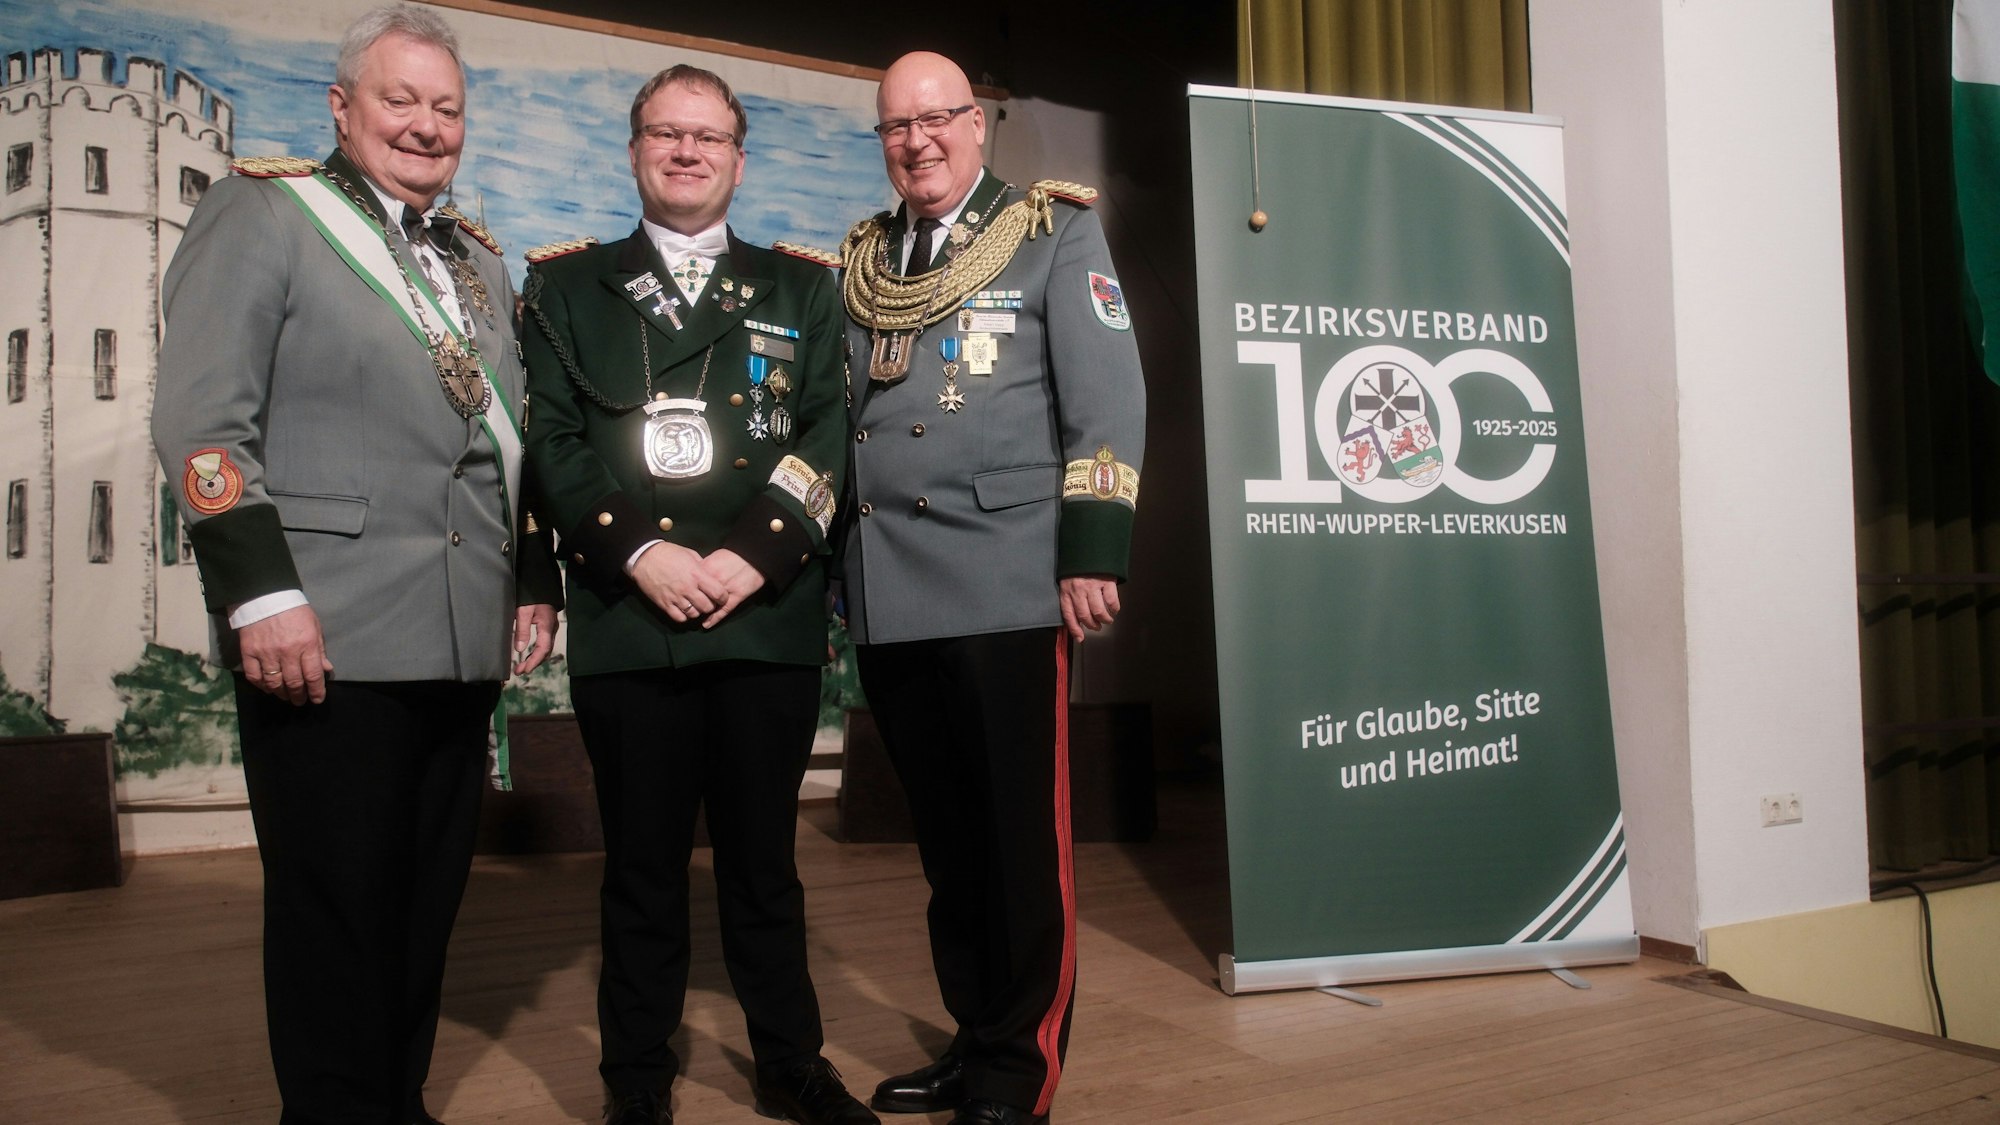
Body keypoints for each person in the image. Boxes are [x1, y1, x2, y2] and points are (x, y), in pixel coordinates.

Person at [150, 5, 560, 1122]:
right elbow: (200, 429)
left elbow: (497, 441)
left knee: (423, 907)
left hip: (456, 632)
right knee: (336, 911)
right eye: (401, 100)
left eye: (446, 108)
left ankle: (394, 1102)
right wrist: (260, 595)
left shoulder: (474, 260)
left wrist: (530, 576)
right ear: (343, 108)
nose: (426, 126)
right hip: (320, 630)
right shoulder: (262, 214)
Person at [520, 65, 875, 1125]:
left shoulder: (800, 288)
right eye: (665, 134)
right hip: (631, 619)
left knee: (765, 867)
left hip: (761, 616)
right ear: (634, 149)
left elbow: (822, 437)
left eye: (707, 136)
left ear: (737, 156)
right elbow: (552, 442)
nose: (686, 152)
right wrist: (641, 554)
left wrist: (754, 557)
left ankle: (790, 1065)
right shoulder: (567, 288)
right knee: (640, 870)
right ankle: (635, 1079)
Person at [836, 51, 1146, 1125]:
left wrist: (1092, 548)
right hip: (891, 587)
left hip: (1008, 578)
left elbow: (1107, 395)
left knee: (1018, 846)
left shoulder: (1052, 231)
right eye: (894, 126)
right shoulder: (866, 258)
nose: (916, 141)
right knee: (950, 846)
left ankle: (1021, 1072)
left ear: (977, 125)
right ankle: (974, 1041)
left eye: (935, 119)